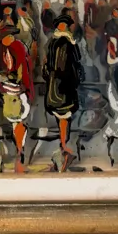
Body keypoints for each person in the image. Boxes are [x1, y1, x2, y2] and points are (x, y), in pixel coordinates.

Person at [44, 11, 81, 171]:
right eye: (61, 24)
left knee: (63, 116)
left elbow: (75, 60)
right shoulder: (60, 42)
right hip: (61, 84)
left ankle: (64, 146)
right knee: (63, 115)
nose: (63, 27)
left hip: (61, 83)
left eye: (65, 25)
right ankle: (63, 147)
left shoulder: (61, 41)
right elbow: (55, 64)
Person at [0, 29, 35, 172]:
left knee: (18, 120)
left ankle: (20, 151)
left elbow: (20, 70)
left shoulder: (16, 48)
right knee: (16, 122)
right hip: (14, 89)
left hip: (18, 90)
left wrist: (10, 78)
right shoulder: (9, 48)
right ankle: (20, 150)